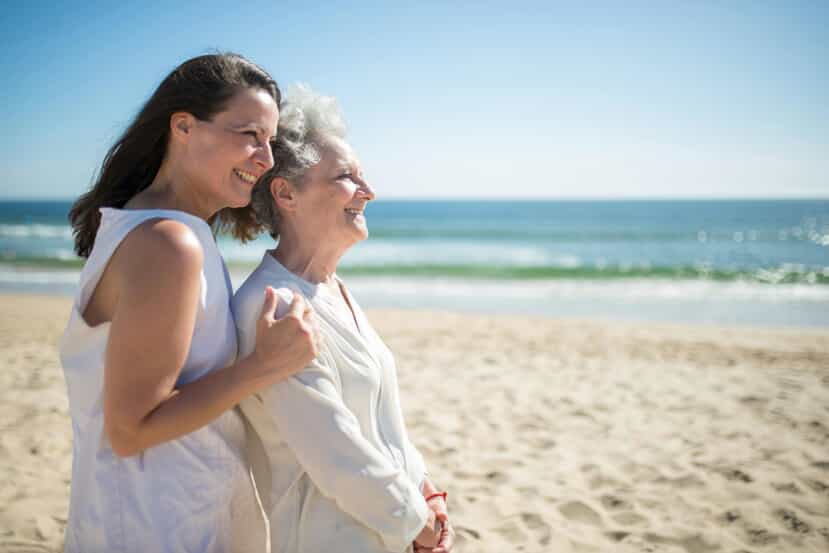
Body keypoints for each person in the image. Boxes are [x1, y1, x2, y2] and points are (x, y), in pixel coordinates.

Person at [60, 53, 318, 552]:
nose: (265, 159)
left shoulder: (167, 232)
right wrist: (264, 365)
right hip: (153, 527)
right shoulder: (167, 243)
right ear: (184, 126)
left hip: (170, 515)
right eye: (249, 135)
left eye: (269, 140)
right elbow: (130, 429)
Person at [229, 85, 455, 553]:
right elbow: (336, 454)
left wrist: (427, 490)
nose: (368, 192)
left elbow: (381, 424)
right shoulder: (273, 307)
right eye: (347, 177)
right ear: (286, 193)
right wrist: (418, 523)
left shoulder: (333, 290)